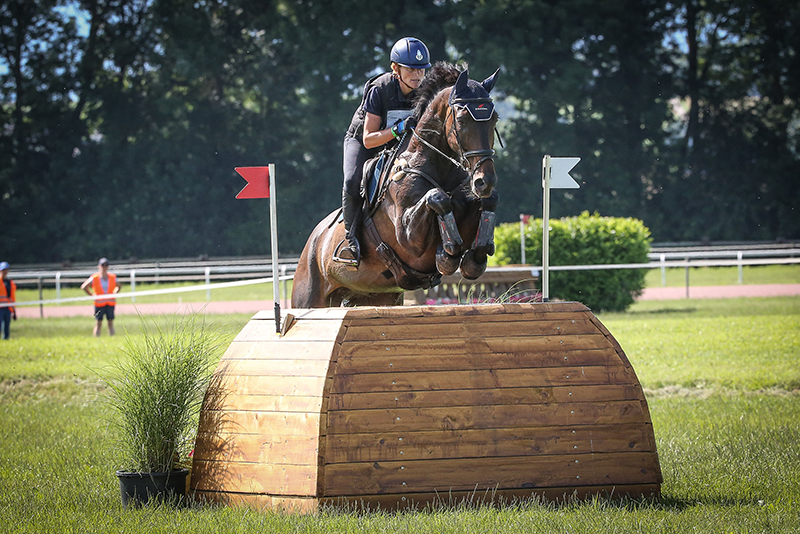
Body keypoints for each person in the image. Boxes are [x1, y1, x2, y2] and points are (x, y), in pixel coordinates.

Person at [336, 36, 432, 267]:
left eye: (421, 70)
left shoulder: (426, 91)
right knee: (352, 180)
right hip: (364, 141)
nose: (417, 76)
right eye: (411, 69)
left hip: (398, 146)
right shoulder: (380, 88)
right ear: (395, 68)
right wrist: (399, 129)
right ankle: (351, 241)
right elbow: (369, 139)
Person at [81, 258, 120, 336]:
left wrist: (114, 293)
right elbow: (84, 287)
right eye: (102, 265)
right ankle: (96, 338)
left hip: (110, 303)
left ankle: (112, 338)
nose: (104, 267)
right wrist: (92, 295)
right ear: (99, 266)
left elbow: (119, 286)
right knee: (98, 323)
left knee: (110, 322)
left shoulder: (112, 277)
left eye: (106, 265)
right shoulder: (94, 277)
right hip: (99, 304)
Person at [0, 261, 17, 340]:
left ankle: (6, 339)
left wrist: (14, 310)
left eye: (6, 270)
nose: (5, 272)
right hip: (0, 308)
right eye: (3, 270)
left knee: (7, 326)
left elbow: (12, 297)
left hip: (8, 307)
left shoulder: (10, 282)